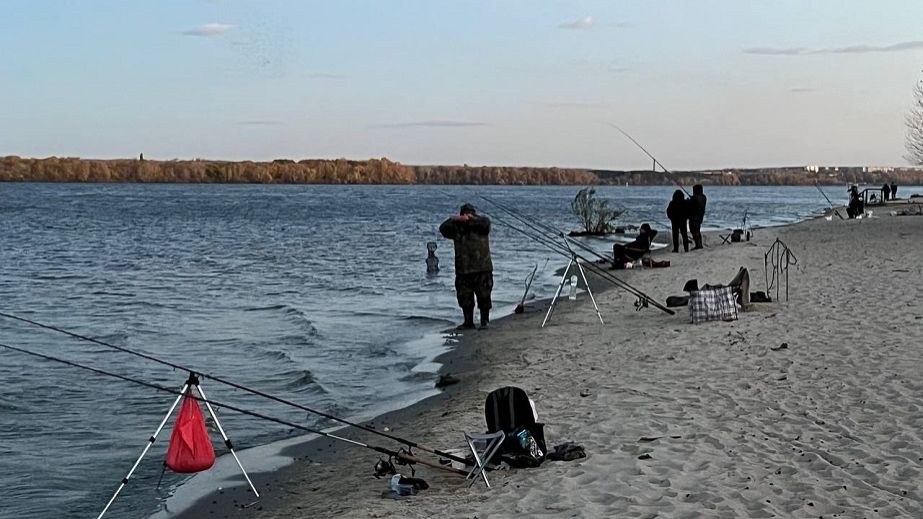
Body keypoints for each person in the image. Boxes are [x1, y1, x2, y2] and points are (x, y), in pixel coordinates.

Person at [439, 203, 493, 329]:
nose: (466, 216)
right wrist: (453, 219)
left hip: (482, 268)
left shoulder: (481, 224)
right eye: (464, 214)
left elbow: (486, 224)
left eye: (469, 213)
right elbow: (443, 229)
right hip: (463, 269)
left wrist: (472, 219)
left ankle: (485, 321)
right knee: (465, 298)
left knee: (484, 296)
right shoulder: (456, 227)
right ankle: (468, 322)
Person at [687, 184, 707, 249]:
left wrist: (689, 199)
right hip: (700, 216)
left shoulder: (695, 198)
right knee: (697, 230)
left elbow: (691, 204)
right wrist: (692, 198)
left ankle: (698, 245)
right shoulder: (704, 197)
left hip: (694, 217)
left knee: (694, 230)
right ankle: (699, 244)